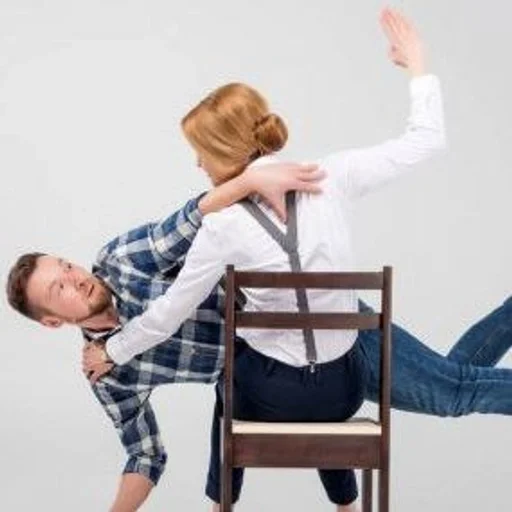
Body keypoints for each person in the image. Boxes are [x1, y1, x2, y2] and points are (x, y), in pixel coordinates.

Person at [81, 7, 512, 512]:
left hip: (297, 386)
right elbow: (426, 140)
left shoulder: (221, 227)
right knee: (453, 385)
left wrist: (112, 351)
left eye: (200, 152)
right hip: (349, 361)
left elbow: (169, 313)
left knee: (453, 386)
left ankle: (221, 503)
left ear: (224, 152)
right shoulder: (330, 175)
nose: (197, 163)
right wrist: (417, 65)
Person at [6, 163, 324, 512]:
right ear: (52, 322)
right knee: (237, 439)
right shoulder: (108, 376)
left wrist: (250, 180)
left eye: (66, 266)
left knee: (372, 369)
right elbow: (145, 456)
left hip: (297, 311)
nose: (76, 279)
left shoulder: (120, 260)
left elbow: (192, 218)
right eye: (59, 288)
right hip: (258, 375)